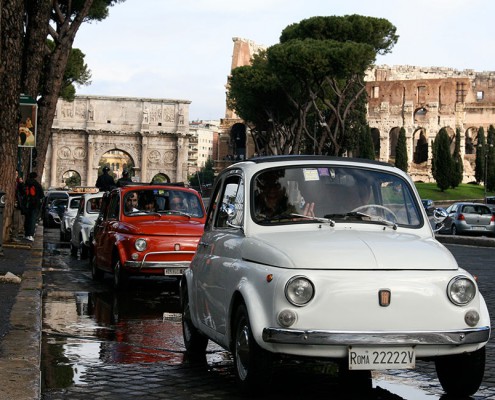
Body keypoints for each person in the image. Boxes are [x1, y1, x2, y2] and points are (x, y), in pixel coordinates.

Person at [23, 171, 44, 241]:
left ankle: (26, 234)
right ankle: (30, 235)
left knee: (27, 219)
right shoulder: (37, 184)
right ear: (35, 177)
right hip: (35, 204)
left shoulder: (26, 183)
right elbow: (41, 195)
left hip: (27, 203)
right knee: (32, 219)